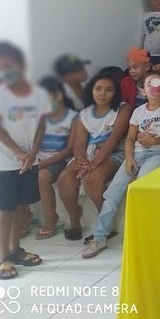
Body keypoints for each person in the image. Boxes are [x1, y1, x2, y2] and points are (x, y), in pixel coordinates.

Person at [82, 74, 160, 258]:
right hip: (137, 154)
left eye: (157, 83)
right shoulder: (139, 111)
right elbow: (130, 138)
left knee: (140, 187)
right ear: (143, 91)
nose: (153, 87)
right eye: (149, 84)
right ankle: (99, 237)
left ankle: (143, 236)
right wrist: (129, 158)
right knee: (112, 193)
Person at [0, 42, 49, 279]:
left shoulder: (38, 94)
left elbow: (42, 124)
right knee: (5, 208)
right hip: (3, 162)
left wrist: (32, 152)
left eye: (9, 65)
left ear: (21, 65)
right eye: (0, 67)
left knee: (22, 205)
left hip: (29, 160)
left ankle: (15, 249)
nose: (5, 71)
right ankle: (3, 257)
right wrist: (19, 152)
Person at [57, 72, 130, 242]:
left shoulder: (123, 109)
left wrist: (93, 164)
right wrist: (82, 160)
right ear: (92, 90)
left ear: (115, 92)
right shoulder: (85, 114)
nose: (102, 94)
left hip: (116, 153)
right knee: (64, 179)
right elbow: (79, 143)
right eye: (98, 89)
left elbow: (114, 139)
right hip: (90, 154)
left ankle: (104, 224)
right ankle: (74, 222)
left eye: (108, 90)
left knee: (93, 178)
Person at [35, 77, 78, 240]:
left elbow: (69, 150)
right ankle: (24, 218)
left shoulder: (73, 117)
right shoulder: (41, 118)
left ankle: (51, 219)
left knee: (42, 177)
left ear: (58, 96)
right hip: (39, 159)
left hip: (60, 161)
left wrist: (43, 164)